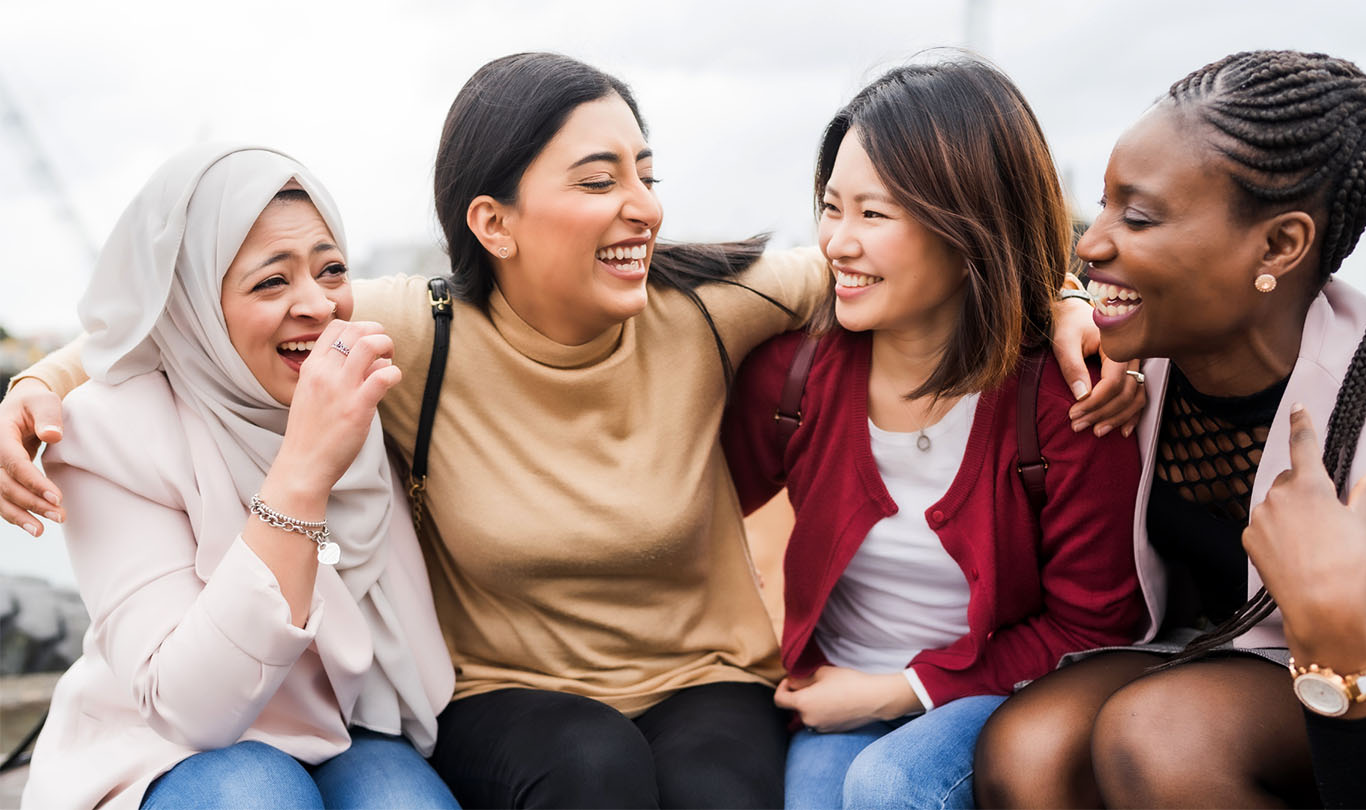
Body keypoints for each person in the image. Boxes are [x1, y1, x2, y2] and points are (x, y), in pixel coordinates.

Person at [1, 53, 1137, 809]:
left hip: (708, 676)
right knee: (587, 779)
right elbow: (205, 313)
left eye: (647, 171)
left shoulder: (709, 306)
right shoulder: (412, 327)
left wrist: (1067, 301)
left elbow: (925, 260)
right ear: (491, 222)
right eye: (600, 179)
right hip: (507, 691)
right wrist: (36, 385)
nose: (644, 203)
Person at [973, 50, 1366, 809]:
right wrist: (1064, 301)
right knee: (1032, 750)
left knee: (1161, 736)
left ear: (1279, 247)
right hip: (1220, 654)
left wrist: (1334, 632)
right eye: (1105, 206)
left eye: (1140, 216)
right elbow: (1000, 273)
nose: (1092, 242)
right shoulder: (1146, 358)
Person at [721, 57, 1147, 810]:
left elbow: (1095, 622)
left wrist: (901, 691)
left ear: (968, 229)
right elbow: (698, 507)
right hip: (831, 693)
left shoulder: (1070, 396)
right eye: (832, 207)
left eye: (874, 215)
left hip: (998, 688)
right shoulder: (791, 380)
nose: (837, 244)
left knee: (888, 788)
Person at [17, 145, 457, 809]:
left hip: (342, 728)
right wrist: (303, 472)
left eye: (332, 269)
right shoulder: (105, 434)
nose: (319, 305)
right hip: (160, 745)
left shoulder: (359, 385)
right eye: (271, 282)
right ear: (191, 302)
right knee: (258, 796)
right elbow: (189, 710)